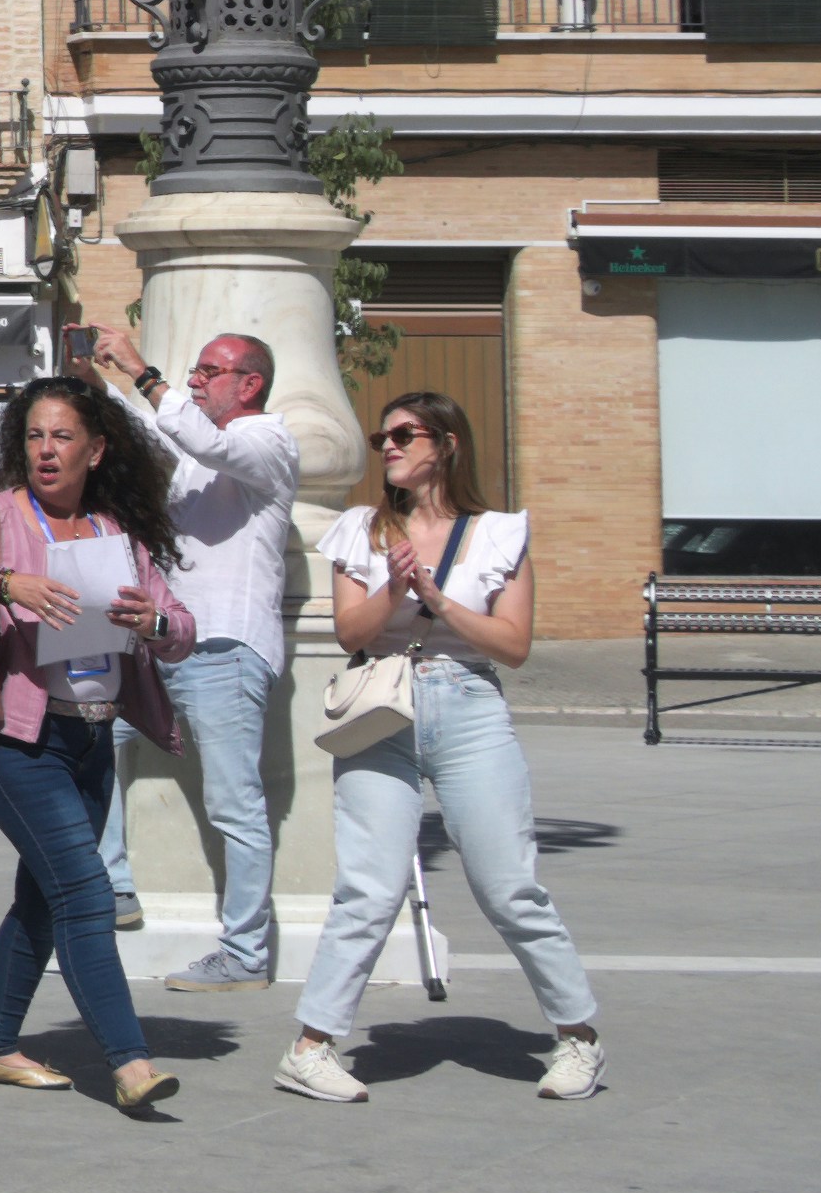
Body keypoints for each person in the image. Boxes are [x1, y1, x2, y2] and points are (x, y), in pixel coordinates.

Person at [286, 386, 602, 1108]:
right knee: (368, 887)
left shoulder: (500, 534)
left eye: (404, 434)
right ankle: (310, 1047)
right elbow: (349, 634)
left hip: (468, 706)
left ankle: (578, 1036)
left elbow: (514, 646)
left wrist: (440, 600)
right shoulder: (361, 530)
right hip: (381, 710)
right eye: (382, 438)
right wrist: (394, 594)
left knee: (508, 885)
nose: (389, 447)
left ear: (446, 444)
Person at [0, 376, 198, 1114]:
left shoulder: (116, 532)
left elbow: (185, 629)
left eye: (62, 437)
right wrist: (3, 584)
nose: (46, 451)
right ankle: (128, 1062)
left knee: (42, 901)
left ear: (96, 450)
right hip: (18, 744)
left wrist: (153, 621)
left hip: (92, 741)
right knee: (87, 892)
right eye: (34, 436)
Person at [81, 325, 305, 987]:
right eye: (195, 370)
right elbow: (152, 433)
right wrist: (102, 384)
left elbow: (195, 434)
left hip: (225, 650)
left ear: (249, 383)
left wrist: (142, 369)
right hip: (161, 642)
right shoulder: (199, 451)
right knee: (88, 741)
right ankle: (115, 887)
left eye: (211, 370)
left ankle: (245, 954)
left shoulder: (268, 440)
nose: (197, 379)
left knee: (236, 805)